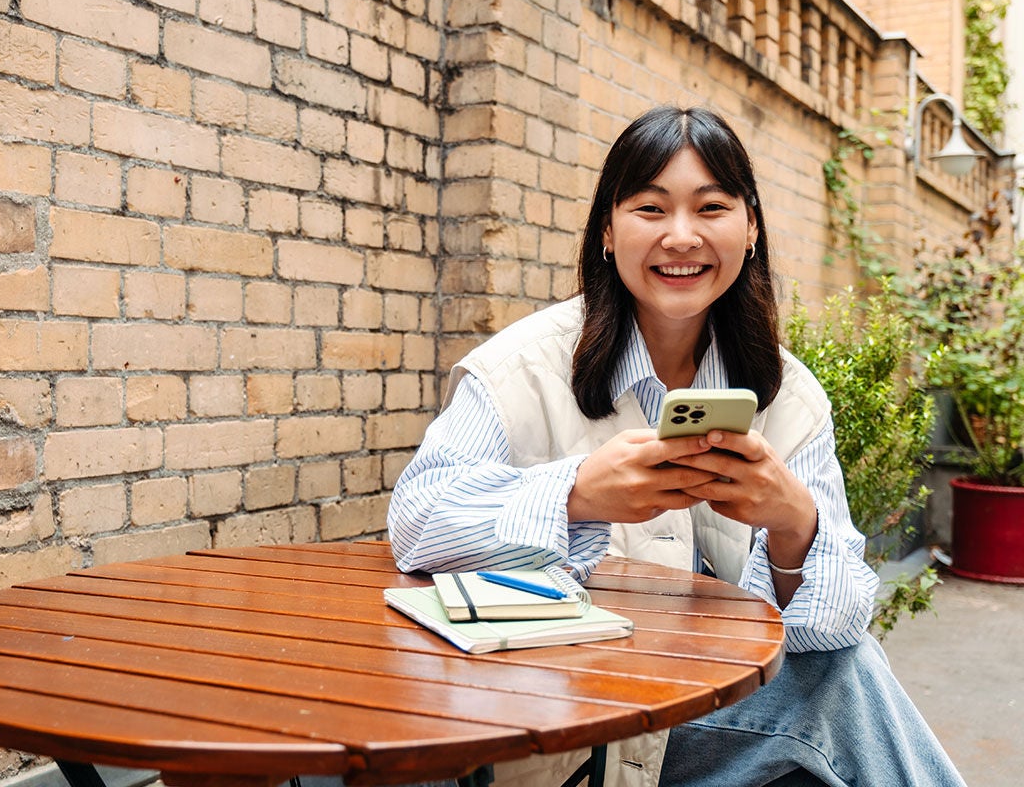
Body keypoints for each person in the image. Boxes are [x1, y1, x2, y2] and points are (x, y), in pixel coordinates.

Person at [386, 106, 965, 787]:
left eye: (711, 207)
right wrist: (575, 496)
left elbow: (832, 631)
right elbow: (415, 521)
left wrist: (792, 524)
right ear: (608, 229)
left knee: (846, 674)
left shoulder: (788, 396)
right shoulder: (521, 368)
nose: (681, 237)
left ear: (750, 228)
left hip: (698, 717)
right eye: (651, 208)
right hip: (555, 713)